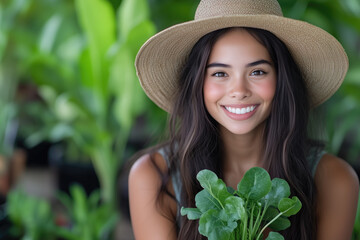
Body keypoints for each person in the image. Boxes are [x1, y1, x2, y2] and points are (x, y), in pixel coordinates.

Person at [128, 0, 359, 239]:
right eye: (220, 73)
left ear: (282, 80)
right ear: (198, 84)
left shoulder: (334, 180)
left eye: (257, 72)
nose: (239, 90)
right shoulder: (153, 177)